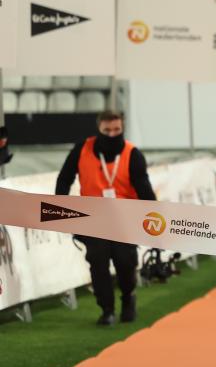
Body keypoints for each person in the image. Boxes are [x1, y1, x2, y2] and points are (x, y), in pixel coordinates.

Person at [55, 110, 156, 326]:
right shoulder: (82, 149)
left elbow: (145, 191)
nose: (112, 134)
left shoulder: (132, 154)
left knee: (125, 262)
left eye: (117, 130)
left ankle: (128, 297)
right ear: (99, 128)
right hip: (93, 217)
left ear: (123, 128)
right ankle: (107, 309)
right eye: (107, 130)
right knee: (98, 262)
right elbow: (64, 179)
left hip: (125, 219)